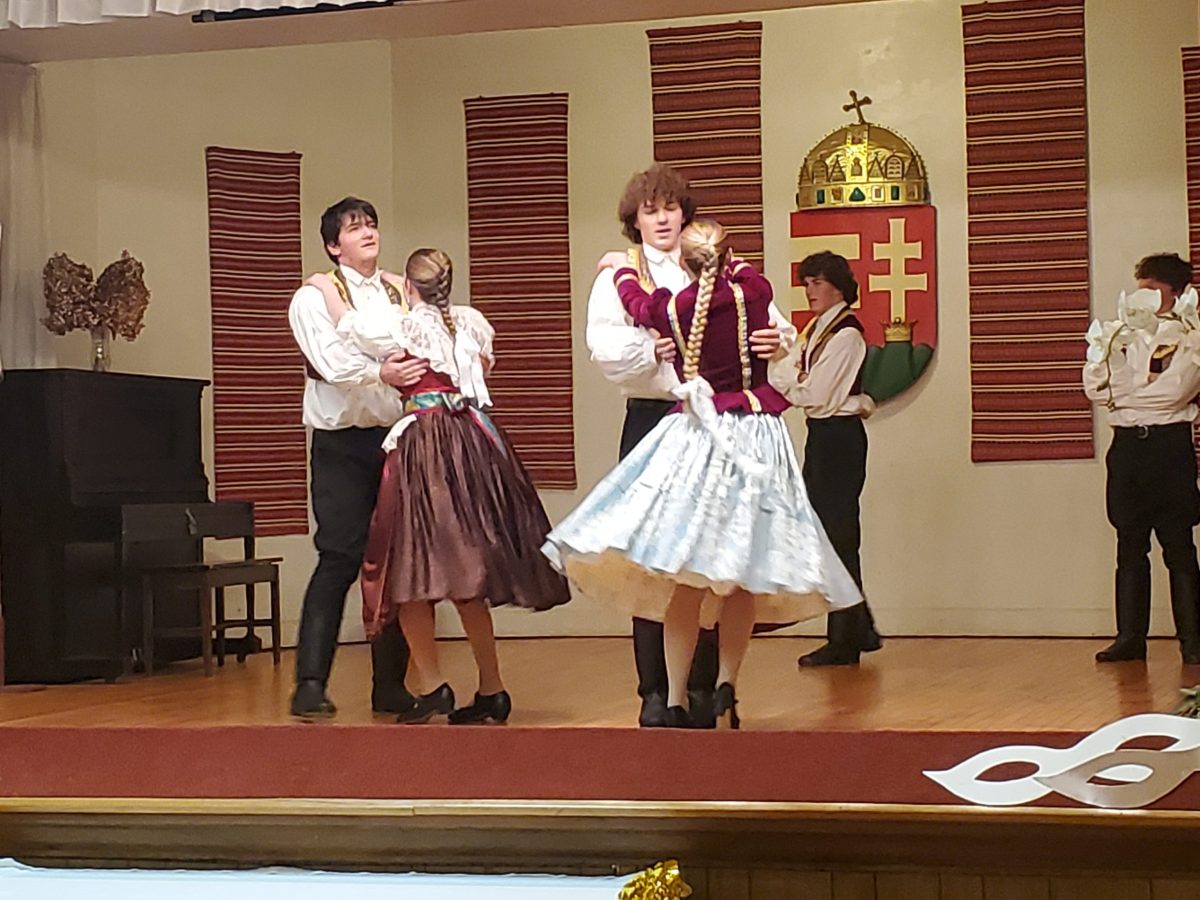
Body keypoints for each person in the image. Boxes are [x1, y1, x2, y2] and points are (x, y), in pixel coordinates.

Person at [546, 220, 864, 729]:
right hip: (757, 434)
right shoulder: (754, 291)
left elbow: (639, 305)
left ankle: (674, 696)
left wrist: (622, 270)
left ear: (687, 264)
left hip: (700, 434)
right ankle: (726, 684)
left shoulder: (676, 307)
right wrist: (728, 262)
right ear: (729, 258)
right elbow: (752, 284)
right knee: (741, 576)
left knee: (686, 571)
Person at [317, 247, 572, 723]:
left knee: (410, 568)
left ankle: (434, 685)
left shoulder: (405, 325)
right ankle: (492, 687)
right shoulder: (470, 323)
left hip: (427, 445)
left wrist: (325, 288)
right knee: (466, 573)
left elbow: (349, 326)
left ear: (409, 287)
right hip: (472, 442)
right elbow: (483, 370)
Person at [586, 163, 794, 727]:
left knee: (717, 556)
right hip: (657, 417)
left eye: (670, 209)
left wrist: (775, 341)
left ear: (686, 215)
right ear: (634, 219)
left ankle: (702, 687)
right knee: (655, 559)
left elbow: (776, 327)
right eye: (649, 210)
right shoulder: (622, 271)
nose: (661, 219)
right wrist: (652, 352)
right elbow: (604, 348)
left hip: (721, 425)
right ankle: (656, 691)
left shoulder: (726, 268)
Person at [287, 196, 424, 720]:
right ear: (332, 245)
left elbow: (417, 347)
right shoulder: (312, 297)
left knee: (395, 561)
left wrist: (387, 358)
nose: (367, 232)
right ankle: (310, 682)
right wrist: (381, 369)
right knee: (339, 556)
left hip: (396, 439)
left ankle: (389, 686)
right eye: (353, 227)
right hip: (341, 444)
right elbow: (333, 363)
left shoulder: (399, 292)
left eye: (371, 224)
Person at [1082, 252, 1200, 664]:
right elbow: (1098, 389)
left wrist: (1131, 394)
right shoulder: (1120, 334)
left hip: (1169, 447)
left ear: (1175, 293)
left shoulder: (1189, 335)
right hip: (1128, 447)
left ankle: (1193, 641)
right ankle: (1130, 638)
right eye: (1140, 288)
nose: (1142, 297)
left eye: (1152, 289)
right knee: (1129, 545)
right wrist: (1132, 392)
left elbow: (1175, 392)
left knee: (1178, 546)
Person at [770, 251, 882, 667]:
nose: (809, 290)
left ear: (838, 286)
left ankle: (848, 637)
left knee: (838, 536)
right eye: (806, 283)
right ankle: (855, 628)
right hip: (822, 436)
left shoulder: (847, 334)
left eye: (817, 282)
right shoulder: (816, 329)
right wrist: (796, 379)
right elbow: (794, 380)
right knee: (827, 537)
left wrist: (793, 379)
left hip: (839, 438)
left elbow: (816, 397)